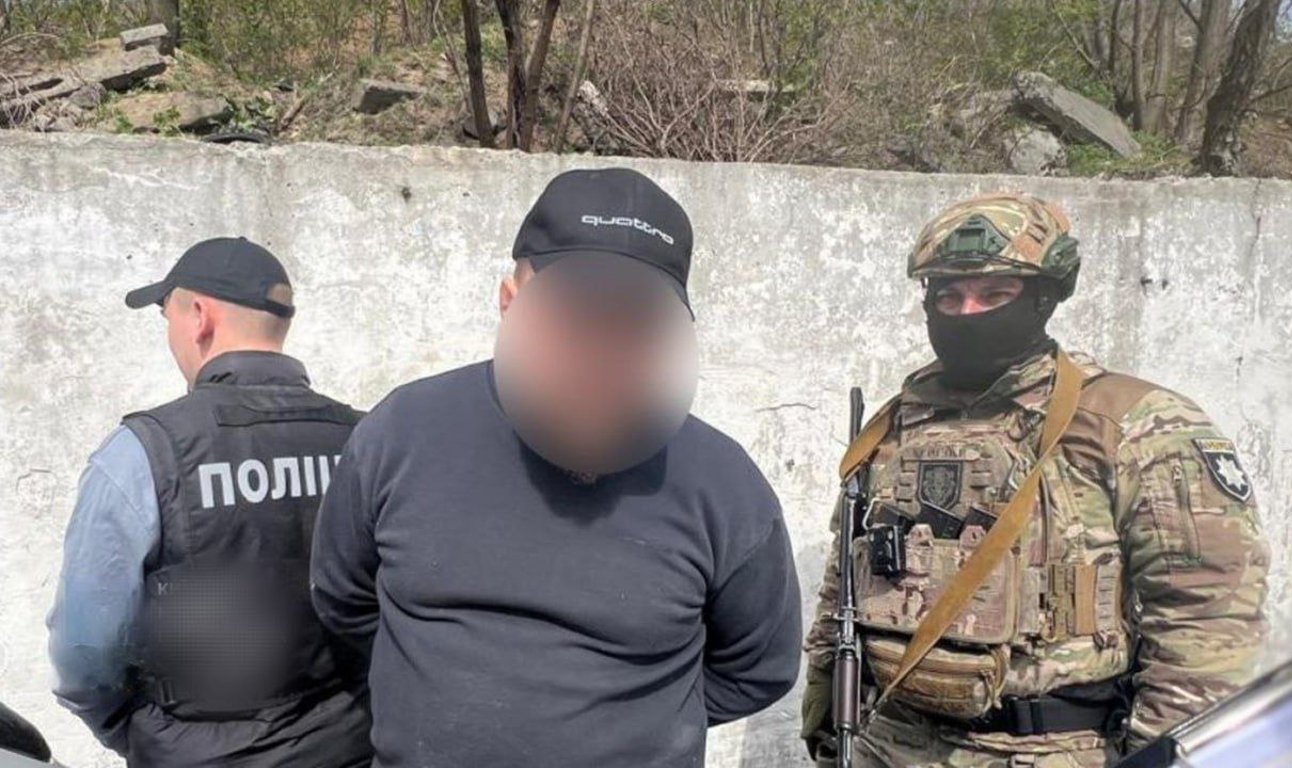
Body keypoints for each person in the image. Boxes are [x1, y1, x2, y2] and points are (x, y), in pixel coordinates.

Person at [310, 168, 802, 768]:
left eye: (634, 324)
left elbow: (758, 667)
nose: (602, 352)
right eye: (577, 316)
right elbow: (345, 601)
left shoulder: (723, 484)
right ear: (510, 301)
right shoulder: (400, 434)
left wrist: (642, 722)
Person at [801, 193, 1269, 767]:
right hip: (890, 743)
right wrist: (826, 717)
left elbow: (1208, 618)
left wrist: (1160, 757)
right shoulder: (897, 423)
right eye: (948, 296)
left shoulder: (1135, 423)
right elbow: (843, 585)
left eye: (995, 294)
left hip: (1049, 747)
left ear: (1044, 297)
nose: (968, 312)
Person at [48, 237, 372, 766]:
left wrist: (131, 729)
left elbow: (87, 647)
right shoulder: (364, 438)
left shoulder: (146, 451)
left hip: (198, 752)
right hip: (349, 744)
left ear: (198, 316)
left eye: (167, 317)